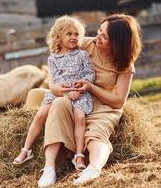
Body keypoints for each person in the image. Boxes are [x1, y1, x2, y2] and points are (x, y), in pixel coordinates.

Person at [36, 14, 142, 187]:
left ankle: (93, 168)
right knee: (58, 103)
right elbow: (57, 56)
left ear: (117, 42)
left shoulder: (125, 65)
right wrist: (55, 86)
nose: (97, 37)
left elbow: (118, 101)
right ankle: (49, 169)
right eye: (100, 30)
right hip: (77, 98)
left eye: (104, 36)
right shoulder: (84, 43)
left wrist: (91, 87)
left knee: (95, 134)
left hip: (105, 106)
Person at [13, 15, 95, 170]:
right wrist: (66, 93)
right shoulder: (53, 59)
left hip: (79, 94)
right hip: (60, 92)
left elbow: (90, 73)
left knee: (79, 117)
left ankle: (79, 155)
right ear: (58, 37)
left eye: (77, 34)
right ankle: (26, 150)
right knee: (40, 115)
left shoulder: (82, 55)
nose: (74, 37)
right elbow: (55, 81)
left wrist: (80, 86)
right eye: (69, 34)